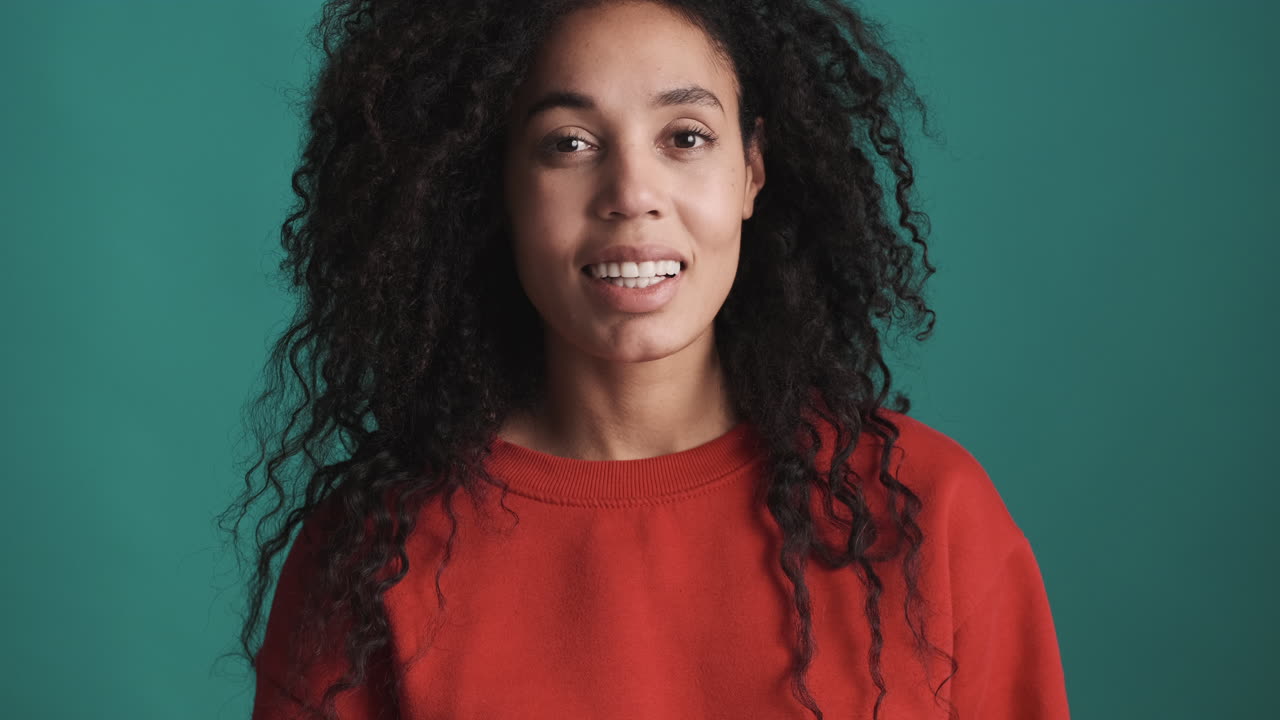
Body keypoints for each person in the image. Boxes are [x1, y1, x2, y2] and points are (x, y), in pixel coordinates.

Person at [223, 1, 1071, 718]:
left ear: (753, 170)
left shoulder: (930, 513)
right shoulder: (373, 556)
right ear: (495, 189)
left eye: (687, 136)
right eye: (569, 143)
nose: (632, 193)